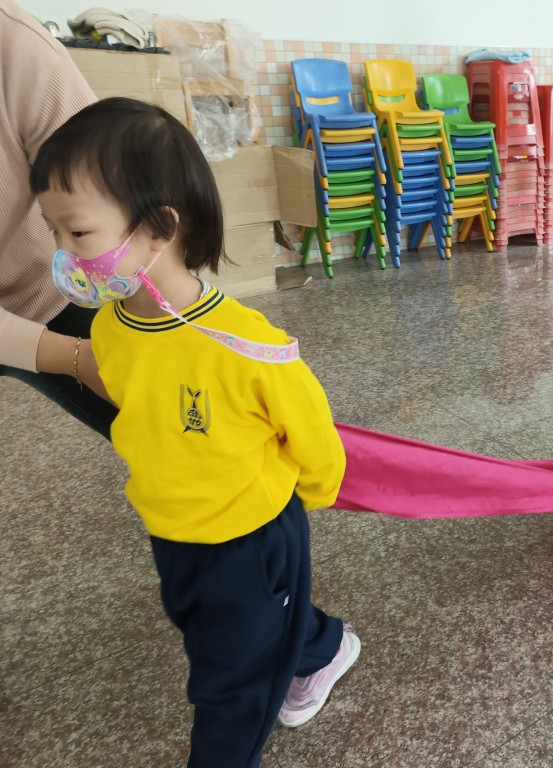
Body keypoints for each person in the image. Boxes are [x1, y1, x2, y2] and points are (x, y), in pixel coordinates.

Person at [30, 97, 359, 766]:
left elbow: (311, 427)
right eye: (52, 231)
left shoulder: (244, 343)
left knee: (229, 682)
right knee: (206, 622)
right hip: (172, 527)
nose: (62, 254)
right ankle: (322, 644)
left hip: (251, 537)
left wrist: (317, 490)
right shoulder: (110, 326)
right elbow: (136, 403)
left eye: (79, 233)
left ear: (159, 228)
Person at [0, 0, 117, 438]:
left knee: (175, 429)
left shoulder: (16, 46)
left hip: (42, 288)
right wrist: (75, 358)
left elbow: (113, 203)